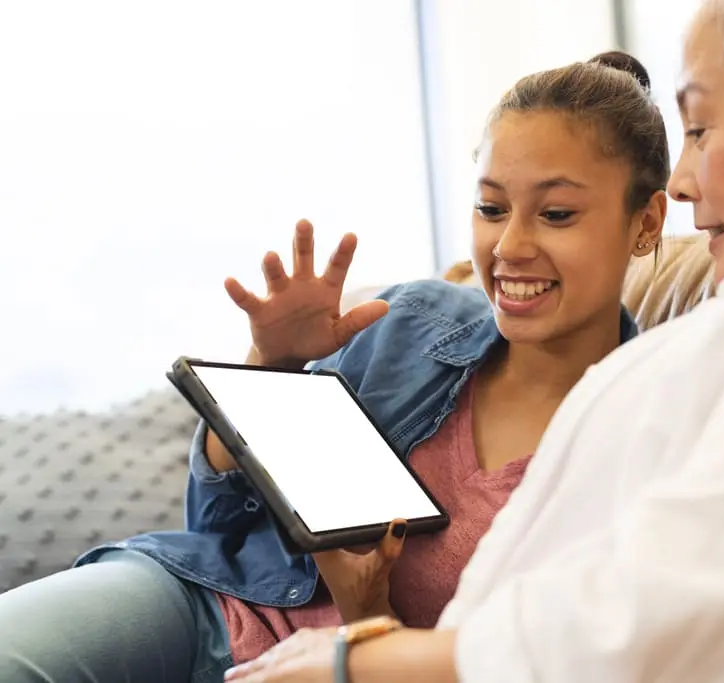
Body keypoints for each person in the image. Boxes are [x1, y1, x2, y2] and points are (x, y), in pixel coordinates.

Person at [221, 0, 724, 681]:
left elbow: (693, 609)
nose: (681, 182)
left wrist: (361, 660)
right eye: (492, 206)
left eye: (703, 126)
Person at [0, 52, 673, 682]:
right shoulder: (411, 320)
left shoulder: (651, 439)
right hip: (211, 598)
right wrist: (273, 367)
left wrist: (365, 609)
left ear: (646, 224)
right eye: (491, 207)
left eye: (556, 213)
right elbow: (218, 523)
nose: (510, 246)